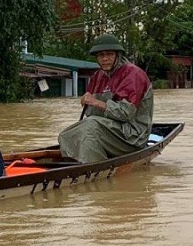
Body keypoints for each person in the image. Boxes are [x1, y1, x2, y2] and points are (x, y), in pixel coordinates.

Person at [58, 34, 154, 164]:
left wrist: (97, 102)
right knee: (65, 136)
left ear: (118, 55)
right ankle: (75, 164)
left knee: (90, 126)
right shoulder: (97, 77)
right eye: (100, 55)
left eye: (109, 54)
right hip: (110, 131)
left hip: (133, 136)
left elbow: (125, 114)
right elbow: (92, 114)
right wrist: (89, 103)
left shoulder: (133, 74)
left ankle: (92, 169)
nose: (105, 59)